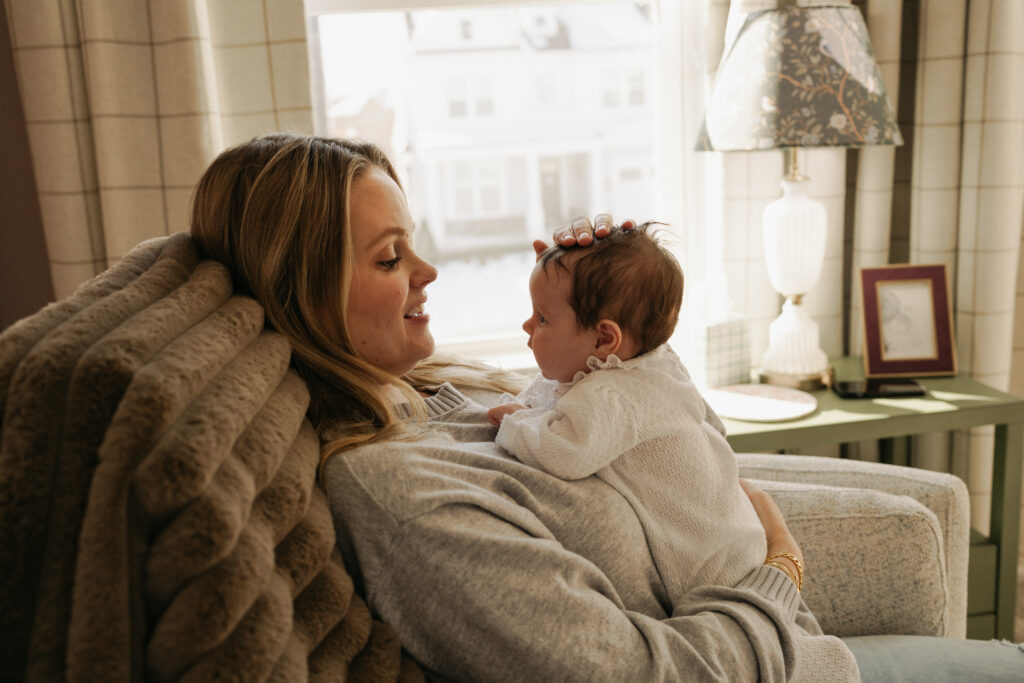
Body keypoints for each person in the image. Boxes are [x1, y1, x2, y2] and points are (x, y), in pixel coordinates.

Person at [188, 133, 1022, 681]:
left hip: (764, 632)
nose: (429, 273)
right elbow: (625, 674)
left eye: (415, 242)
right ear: (303, 290)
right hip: (759, 649)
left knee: (946, 531)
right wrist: (778, 573)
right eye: (388, 257)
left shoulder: (433, 385)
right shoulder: (393, 490)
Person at [486, 223, 780, 610]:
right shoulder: (656, 366)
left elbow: (564, 450)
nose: (528, 325)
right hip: (742, 535)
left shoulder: (613, 393)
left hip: (713, 570)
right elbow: (713, 427)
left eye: (542, 318)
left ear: (605, 339)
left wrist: (514, 420)